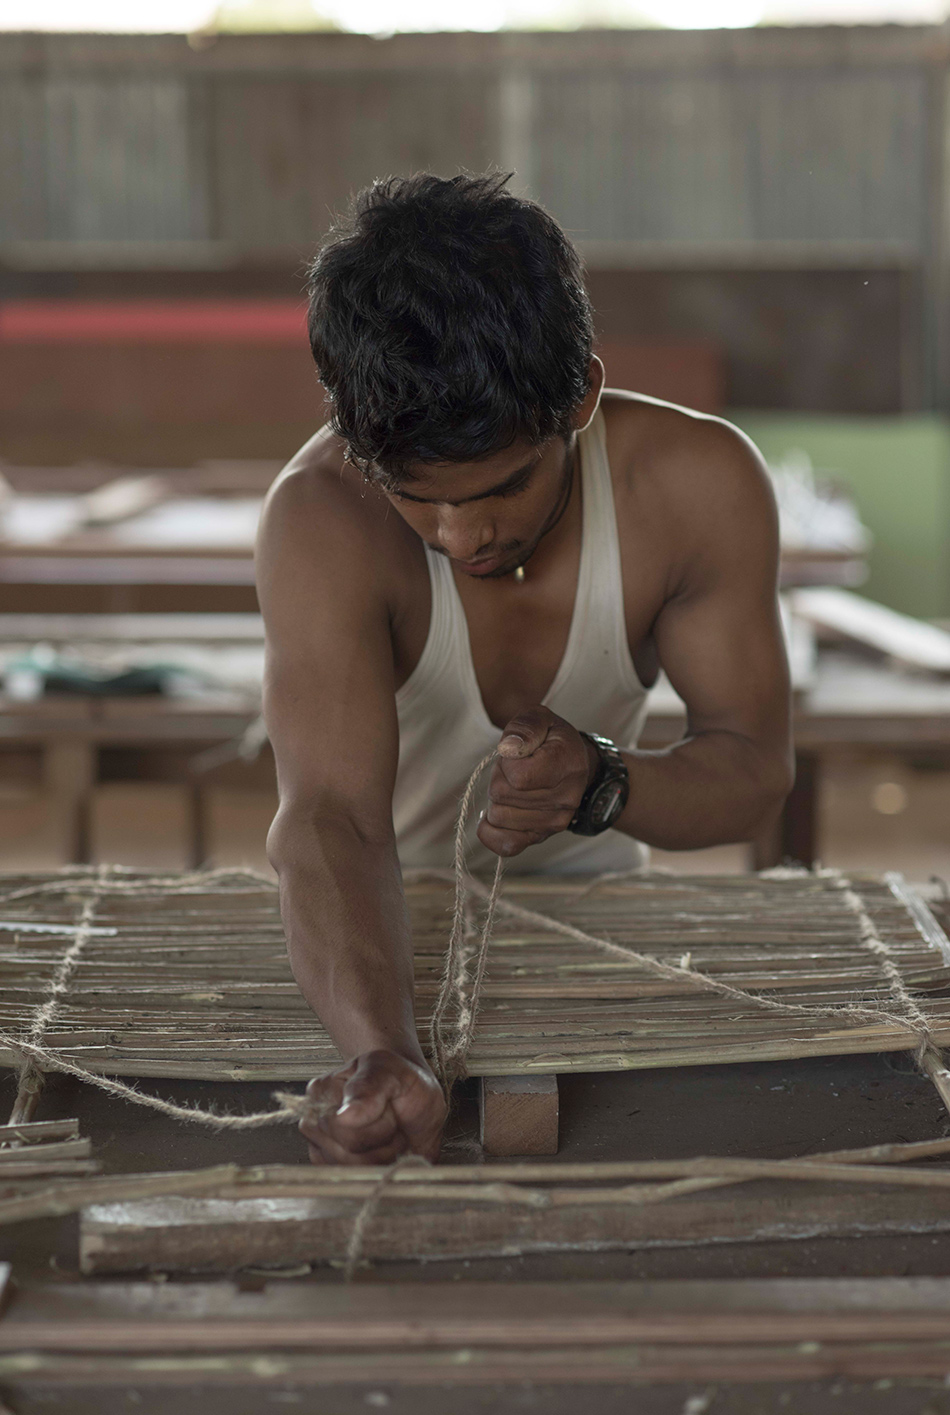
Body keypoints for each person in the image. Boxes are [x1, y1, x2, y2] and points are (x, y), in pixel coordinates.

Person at [256, 172, 793, 1167]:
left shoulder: (694, 485)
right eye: (416, 498)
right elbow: (330, 817)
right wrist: (380, 1049)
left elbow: (753, 773)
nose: (461, 533)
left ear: (579, 395)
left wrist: (603, 782)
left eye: (499, 486)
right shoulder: (320, 516)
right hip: (370, 934)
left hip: (600, 927)